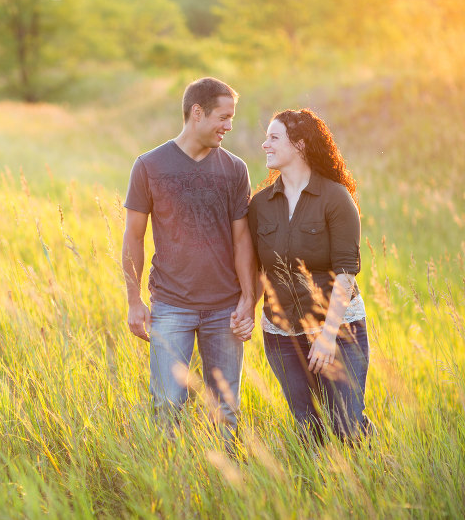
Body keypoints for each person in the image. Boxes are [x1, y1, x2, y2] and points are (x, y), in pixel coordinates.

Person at [121, 77, 256, 442]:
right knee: (167, 405)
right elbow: (134, 236)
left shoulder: (234, 170)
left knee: (225, 410)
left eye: (231, 118)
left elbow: (243, 240)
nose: (229, 126)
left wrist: (248, 299)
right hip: (171, 306)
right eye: (223, 117)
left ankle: (224, 484)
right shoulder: (149, 166)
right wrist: (135, 301)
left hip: (224, 309)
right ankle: (170, 485)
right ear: (197, 113)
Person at [249, 109, 375, 444]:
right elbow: (259, 270)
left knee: (345, 424)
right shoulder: (260, 204)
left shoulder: (335, 198)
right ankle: (316, 485)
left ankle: (371, 469)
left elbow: (346, 271)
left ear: (301, 145)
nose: (265, 144)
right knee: (308, 427)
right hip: (281, 333)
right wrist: (245, 311)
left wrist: (327, 335)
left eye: (274, 137)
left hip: (337, 328)